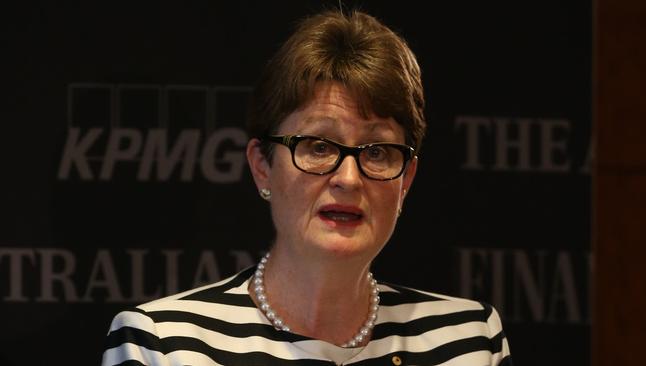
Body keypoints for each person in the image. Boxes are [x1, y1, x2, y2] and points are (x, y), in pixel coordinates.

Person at [102, 9, 512, 366]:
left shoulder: (468, 340)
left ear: (405, 180)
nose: (349, 179)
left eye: (378, 152)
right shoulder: (164, 345)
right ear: (262, 166)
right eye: (318, 146)